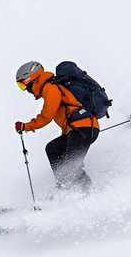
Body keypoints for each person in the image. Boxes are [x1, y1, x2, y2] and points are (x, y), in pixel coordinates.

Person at [14, 61, 100, 190]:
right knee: (53, 148)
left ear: (31, 79)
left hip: (83, 128)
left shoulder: (50, 87)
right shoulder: (50, 88)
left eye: (22, 84)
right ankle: (64, 188)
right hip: (77, 130)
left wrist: (26, 126)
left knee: (72, 164)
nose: (25, 89)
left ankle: (87, 192)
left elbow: (47, 115)